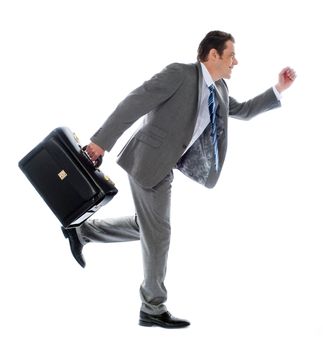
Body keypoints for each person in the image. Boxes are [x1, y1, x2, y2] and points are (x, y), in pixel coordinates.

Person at [61, 30, 296, 329]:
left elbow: (245, 110)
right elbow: (134, 103)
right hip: (146, 161)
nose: (236, 61)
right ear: (213, 55)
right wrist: (100, 142)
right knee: (159, 234)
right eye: (231, 55)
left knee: (147, 227)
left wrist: (279, 88)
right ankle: (152, 307)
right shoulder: (179, 74)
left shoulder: (220, 89)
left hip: (165, 167)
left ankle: (83, 233)